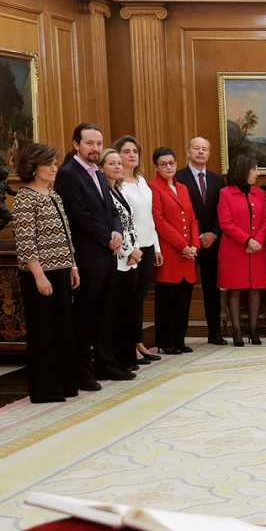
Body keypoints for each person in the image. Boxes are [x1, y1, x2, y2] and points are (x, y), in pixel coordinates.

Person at [55, 123, 124, 387]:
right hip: (86, 255)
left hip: (107, 254)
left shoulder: (98, 172)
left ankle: (106, 364)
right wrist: (107, 237)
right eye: (89, 143)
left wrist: (117, 231)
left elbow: (112, 210)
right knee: (85, 315)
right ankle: (82, 372)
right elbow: (78, 214)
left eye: (98, 143)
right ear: (76, 145)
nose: (95, 148)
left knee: (106, 312)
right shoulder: (68, 174)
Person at [11, 143, 80, 403]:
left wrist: (72, 265)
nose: (54, 168)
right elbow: (25, 242)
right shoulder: (24, 198)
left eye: (55, 163)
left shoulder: (53, 195)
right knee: (44, 332)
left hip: (62, 270)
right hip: (40, 275)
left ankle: (65, 384)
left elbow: (66, 235)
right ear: (33, 167)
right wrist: (39, 276)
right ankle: (45, 389)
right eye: (49, 164)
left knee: (63, 329)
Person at [114, 136, 161, 365]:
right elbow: (123, 221)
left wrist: (157, 246)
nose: (132, 155)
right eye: (126, 151)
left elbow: (148, 217)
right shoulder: (118, 185)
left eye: (135, 151)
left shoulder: (142, 181)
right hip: (131, 250)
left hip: (148, 245)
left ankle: (139, 342)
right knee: (128, 299)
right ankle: (127, 346)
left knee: (140, 298)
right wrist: (131, 249)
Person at [149, 146, 199, 355]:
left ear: (177, 164)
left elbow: (192, 218)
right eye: (163, 164)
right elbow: (159, 221)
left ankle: (179, 339)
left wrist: (194, 245)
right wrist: (182, 246)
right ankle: (165, 341)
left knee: (183, 299)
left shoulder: (183, 187)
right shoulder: (153, 186)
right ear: (156, 167)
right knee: (167, 299)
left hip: (188, 253)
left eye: (171, 163)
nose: (168, 167)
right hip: (170, 252)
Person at [217, 154, 266, 346]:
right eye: (254, 169)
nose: (258, 173)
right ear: (244, 170)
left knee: (255, 289)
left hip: (256, 249)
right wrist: (247, 240)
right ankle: (237, 332)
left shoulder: (260, 194)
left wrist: (257, 240)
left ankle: (254, 332)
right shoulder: (225, 193)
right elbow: (225, 223)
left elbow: (265, 221)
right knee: (235, 290)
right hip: (234, 249)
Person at [178, 136, 225, 345]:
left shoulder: (217, 180)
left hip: (212, 242)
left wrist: (213, 233)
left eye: (204, 149)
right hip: (187, 244)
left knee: (212, 289)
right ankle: (179, 337)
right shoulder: (178, 178)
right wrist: (193, 238)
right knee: (184, 289)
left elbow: (222, 212)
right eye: (196, 148)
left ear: (209, 153)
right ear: (188, 151)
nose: (200, 152)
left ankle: (215, 333)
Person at [98, 148, 142, 374]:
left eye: (119, 163)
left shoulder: (118, 190)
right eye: (112, 163)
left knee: (128, 311)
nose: (117, 166)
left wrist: (136, 249)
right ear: (101, 168)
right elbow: (112, 229)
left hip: (130, 259)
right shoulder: (103, 192)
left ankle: (127, 358)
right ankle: (114, 361)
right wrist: (128, 251)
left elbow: (129, 224)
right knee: (115, 313)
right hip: (117, 260)